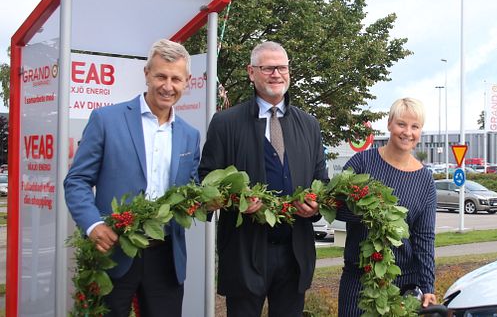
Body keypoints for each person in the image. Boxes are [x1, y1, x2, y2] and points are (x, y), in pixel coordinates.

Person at [64, 39, 201, 317]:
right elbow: (76, 180)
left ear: (187, 82)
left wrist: (209, 199)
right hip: (113, 251)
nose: (167, 86)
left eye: (176, 79)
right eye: (161, 76)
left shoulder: (190, 134)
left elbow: (191, 191)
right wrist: (93, 225)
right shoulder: (106, 119)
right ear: (147, 74)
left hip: (165, 257)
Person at [199, 41, 327, 317]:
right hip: (245, 254)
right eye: (268, 68)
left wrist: (316, 205)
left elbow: (322, 182)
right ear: (251, 72)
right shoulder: (225, 124)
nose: (276, 74)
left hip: (295, 255)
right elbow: (205, 181)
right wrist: (233, 201)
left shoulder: (309, 125)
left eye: (282, 67)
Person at [337, 97, 437, 316]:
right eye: (401, 124)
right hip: (359, 280)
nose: (407, 132)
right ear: (390, 124)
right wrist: (371, 211)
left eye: (415, 127)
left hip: (403, 285)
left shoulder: (425, 181)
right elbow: (337, 208)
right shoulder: (362, 163)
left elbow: (424, 238)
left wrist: (428, 286)